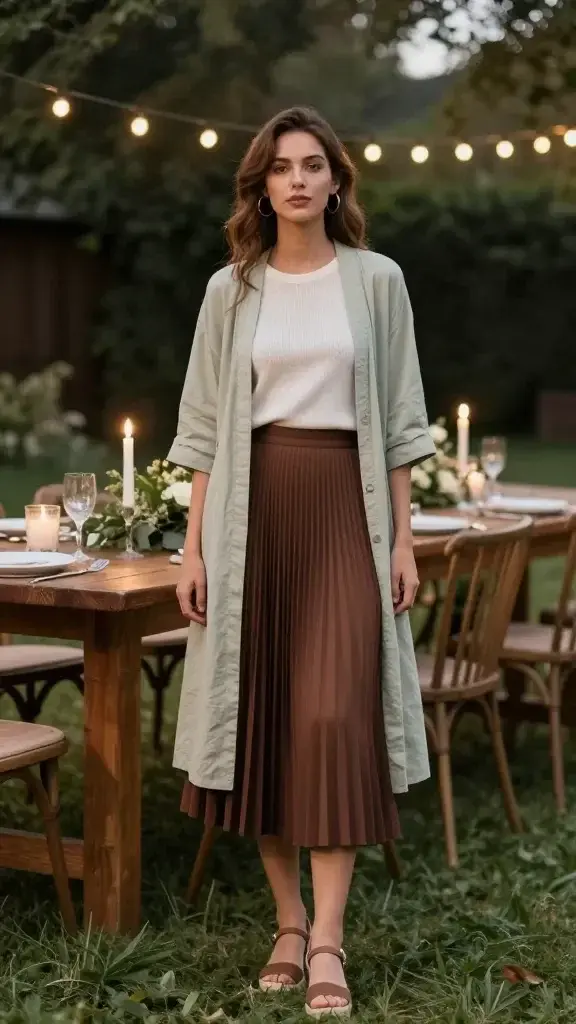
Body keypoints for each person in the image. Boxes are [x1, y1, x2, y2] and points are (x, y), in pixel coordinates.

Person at [169, 106, 436, 1019]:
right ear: (261, 183)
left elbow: (403, 422)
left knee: (331, 718)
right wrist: (192, 546)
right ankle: (289, 924)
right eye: (280, 166)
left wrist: (402, 538)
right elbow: (202, 427)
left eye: (312, 164)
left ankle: (330, 937)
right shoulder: (229, 290)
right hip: (253, 511)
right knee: (263, 718)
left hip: (347, 513)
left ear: (335, 181)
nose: (296, 180)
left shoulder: (378, 281)